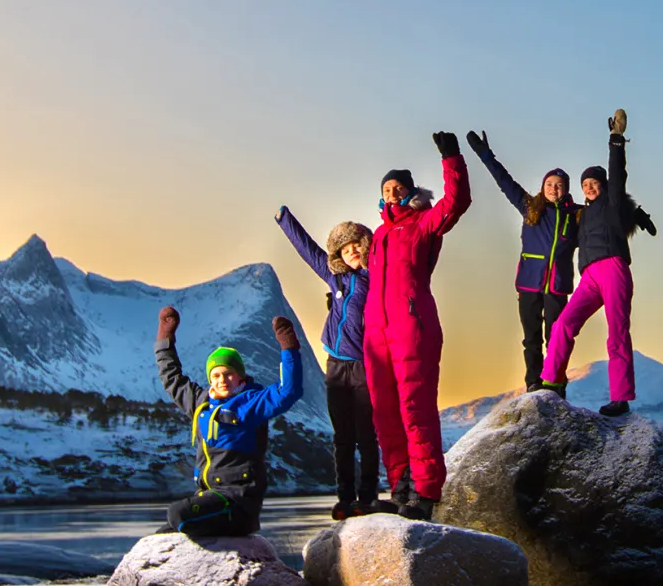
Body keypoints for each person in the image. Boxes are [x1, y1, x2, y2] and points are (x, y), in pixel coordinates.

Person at [364, 132, 472, 520]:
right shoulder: (376, 237)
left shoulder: (423, 223)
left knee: (415, 406)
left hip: (413, 324)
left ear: (410, 192)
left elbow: (456, 203)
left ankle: (425, 493)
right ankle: (400, 489)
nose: (392, 194)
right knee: (385, 412)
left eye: (398, 188)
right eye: (386, 189)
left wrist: (452, 159)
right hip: (376, 332)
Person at [540, 109, 657, 417]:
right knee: (564, 324)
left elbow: (618, 174)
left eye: (594, 182)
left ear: (603, 185)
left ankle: (621, 397)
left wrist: (615, 140)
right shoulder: (582, 213)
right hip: (589, 277)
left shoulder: (612, 203)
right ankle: (550, 381)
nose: (589, 187)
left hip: (614, 269)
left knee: (617, 332)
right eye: (585, 184)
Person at [276, 205, 390, 520]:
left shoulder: (377, 279)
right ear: (339, 252)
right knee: (342, 437)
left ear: (366, 248)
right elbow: (308, 250)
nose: (352, 251)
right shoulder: (334, 276)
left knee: (367, 435)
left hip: (365, 366)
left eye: (357, 246)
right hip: (336, 365)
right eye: (346, 247)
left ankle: (367, 498)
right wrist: (285, 218)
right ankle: (345, 499)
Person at [154, 305, 304, 536]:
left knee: (178, 514)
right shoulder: (200, 402)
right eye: (216, 375)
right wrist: (165, 336)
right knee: (159, 537)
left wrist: (288, 345)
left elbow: (289, 391)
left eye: (228, 374)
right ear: (210, 379)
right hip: (208, 497)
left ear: (240, 376)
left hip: (238, 502)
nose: (222, 380)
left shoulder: (251, 403)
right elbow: (171, 377)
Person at [464, 130, 582, 392]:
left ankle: (556, 383)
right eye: (550, 184)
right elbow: (503, 180)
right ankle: (533, 383)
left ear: (567, 189)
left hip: (558, 285)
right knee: (531, 338)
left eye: (559, 185)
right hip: (529, 282)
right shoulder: (530, 207)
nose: (554, 188)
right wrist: (485, 154)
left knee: (556, 338)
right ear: (543, 187)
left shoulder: (576, 216)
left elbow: (601, 218)